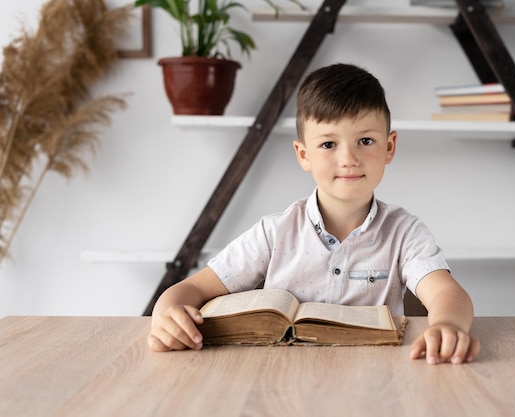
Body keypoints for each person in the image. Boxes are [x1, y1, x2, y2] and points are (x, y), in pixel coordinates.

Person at [148, 63, 480, 365]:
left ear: (389, 147)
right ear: (303, 154)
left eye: (365, 140)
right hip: (279, 376)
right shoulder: (273, 233)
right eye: (328, 144)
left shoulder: (405, 232)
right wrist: (168, 314)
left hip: (377, 377)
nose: (348, 158)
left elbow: (447, 294)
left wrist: (448, 325)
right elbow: (187, 290)